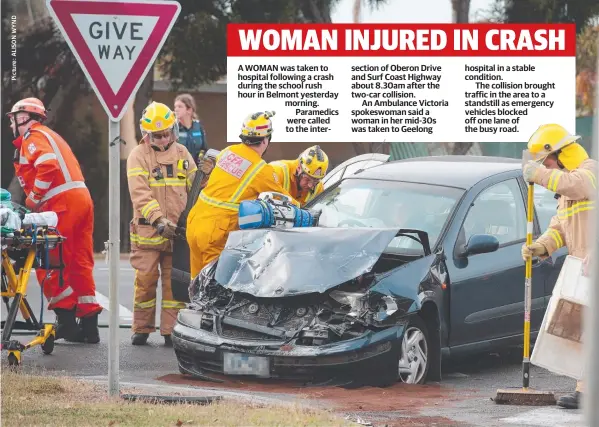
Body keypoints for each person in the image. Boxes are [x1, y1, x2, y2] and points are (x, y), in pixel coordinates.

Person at [6, 97, 102, 343]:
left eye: (12, 120)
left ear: (23, 118)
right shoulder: (51, 135)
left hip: (61, 205)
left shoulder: (33, 136)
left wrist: (33, 200)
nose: (10, 125)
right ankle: (90, 326)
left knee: (50, 262)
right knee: (80, 262)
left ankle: (67, 323)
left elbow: (47, 165)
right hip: (81, 199)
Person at [520, 123, 598, 410]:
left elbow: (578, 184)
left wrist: (539, 174)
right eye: (544, 164)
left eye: (548, 160)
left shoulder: (590, 171)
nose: (547, 167)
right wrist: (541, 246)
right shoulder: (566, 193)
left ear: (564, 153)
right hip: (582, 269)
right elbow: (560, 229)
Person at [186, 111, 299, 278]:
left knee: (197, 284)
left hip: (195, 223)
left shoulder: (227, 151)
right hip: (216, 233)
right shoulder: (261, 169)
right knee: (215, 291)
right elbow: (286, 202)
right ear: (266, 140)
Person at [126, 101, 198, 346]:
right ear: (147, 135)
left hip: (176, 233)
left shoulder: (182, 154)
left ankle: (170, 330)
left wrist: (206, 176)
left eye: (167, 133)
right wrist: (158, 218)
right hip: (148, 232)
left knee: (174, 286)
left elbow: (195, 188)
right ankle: (141, 328)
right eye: (157, 135)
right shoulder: (138, 156)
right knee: (145, 282)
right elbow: (140, 194)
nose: (163, 138)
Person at [173, 94, 209, 166]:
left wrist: (201, 158)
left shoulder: (198, 127)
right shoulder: (173, 128)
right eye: (175, 107)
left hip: (196, 169)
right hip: (178, 171)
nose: (176, 109)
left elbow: (204, 149)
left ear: (189, 110)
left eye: (180, 106)